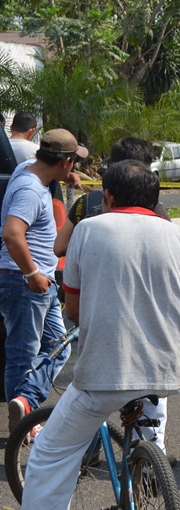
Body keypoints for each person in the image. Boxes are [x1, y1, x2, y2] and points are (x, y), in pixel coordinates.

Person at [1, 160, 180, 510]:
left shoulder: (89, 230)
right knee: (147, 420)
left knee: (48, 457)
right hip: (166, 371)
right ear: (156, 198)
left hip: (103, 375)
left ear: (108, 197)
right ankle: (145, 479)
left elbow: (74, 310)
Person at [52, 137, 175, 455]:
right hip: (146, 318)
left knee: (93, 391)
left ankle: (89, 451)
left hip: (95, 310)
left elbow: (58, 247)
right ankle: (148, 457)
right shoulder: (157, 212)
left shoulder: (86, 204)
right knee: (149, 398)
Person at [0, 130, 86, 432]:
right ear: (64, 161)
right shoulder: (31, 190)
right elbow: (12, 233)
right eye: (73, 162)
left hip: (39, 283)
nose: (75, 167)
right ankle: (22, 424)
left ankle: (25, 402)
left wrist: (68, 179)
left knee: (59, 346)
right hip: (24, 281)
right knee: (23, 354)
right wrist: (32, 274)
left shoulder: (27, 170)